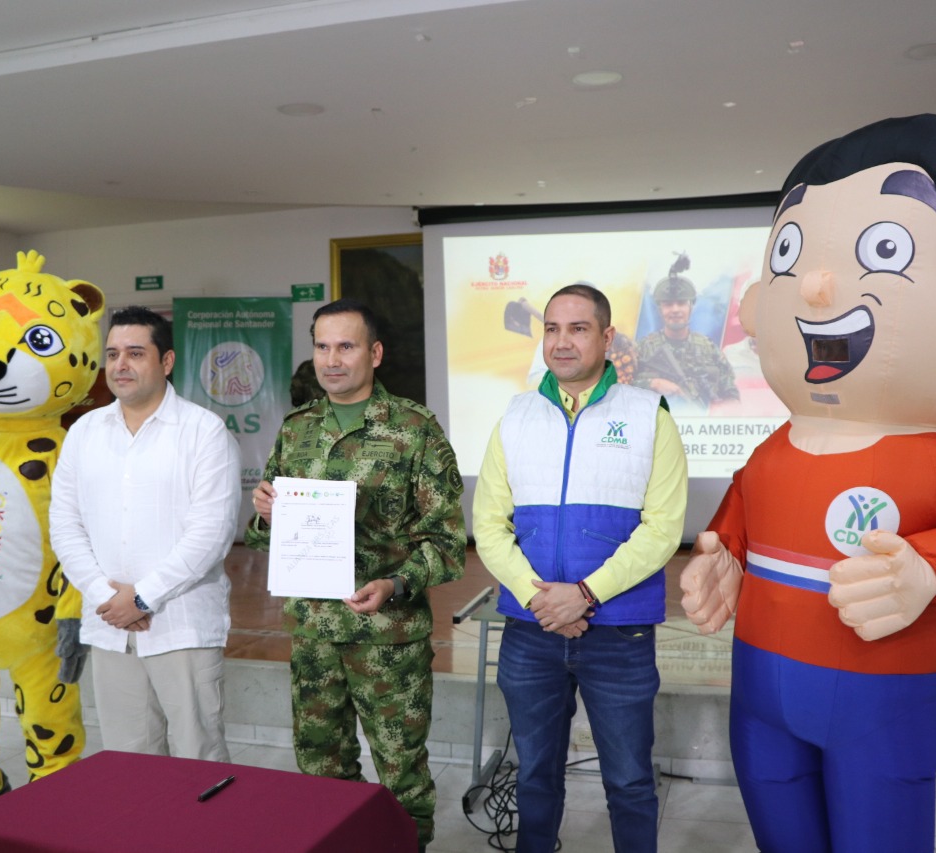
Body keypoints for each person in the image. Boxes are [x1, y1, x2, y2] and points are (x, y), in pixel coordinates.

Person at [680, 115, 936, 853]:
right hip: (760, 685)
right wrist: (721, 555)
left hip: (881, 688)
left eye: (883, 250)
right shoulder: (771, 449)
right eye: (791, 252)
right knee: (779, 827)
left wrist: (928, 567)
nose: (818, 283)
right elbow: (738, 512)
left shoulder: (928, 456)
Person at [473, 282, 688, 853]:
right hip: (531, 631)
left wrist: (585, 595)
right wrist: (541, 598)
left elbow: (664, 527)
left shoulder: (648, 415)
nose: (562, 342)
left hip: (619, 633)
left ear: (607, 336)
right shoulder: (515, 417)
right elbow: (489, 525)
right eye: (551, 329)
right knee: (535, 774)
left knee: (630, 780)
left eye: (578, 328)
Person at [245, 299, 466, 853]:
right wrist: (265, 513)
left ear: (375, 353)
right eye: (322, 346)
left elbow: (446, 542)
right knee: (320, 772)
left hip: (386, 639)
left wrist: (394, 584)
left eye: (346, 347)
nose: (331, 360)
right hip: (315, 636)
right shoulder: (298, 430)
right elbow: (265, 532)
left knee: (401, 779)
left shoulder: (415, 431)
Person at [49, 305, 240, 760]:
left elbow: (211, 534)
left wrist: (141, 597)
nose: (120, 365)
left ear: (166, 362)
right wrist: (105, 595)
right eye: (113, 354)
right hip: (108, 624)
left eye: (135, 353)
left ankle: (204, 836)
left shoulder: (203, 431)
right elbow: (64, 523)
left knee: (199, 755)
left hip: (182, 625)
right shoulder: (84, 431)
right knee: (127, 759)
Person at [633, 268, 738, 411]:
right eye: (668, 304)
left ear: (691, 307)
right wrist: (653, 383)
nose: (675, 310)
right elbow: (619, 388)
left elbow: (731, 395)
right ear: (659, 310)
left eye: (681, 303)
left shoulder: (710, 349)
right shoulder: (642, 349)